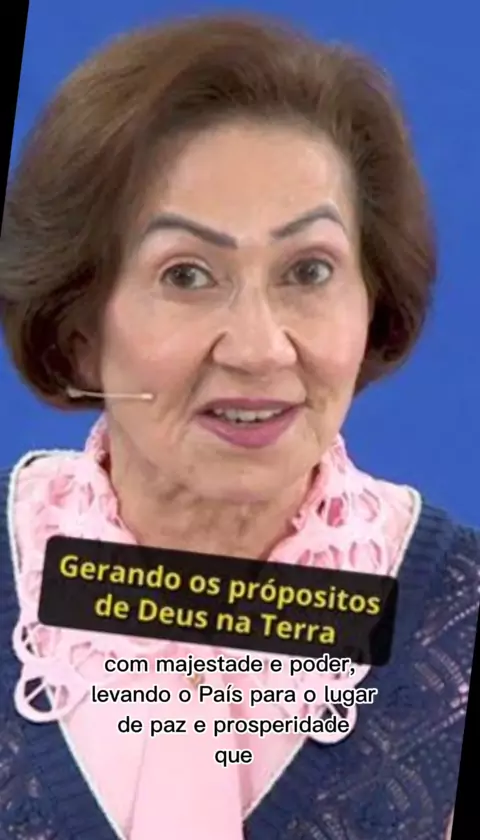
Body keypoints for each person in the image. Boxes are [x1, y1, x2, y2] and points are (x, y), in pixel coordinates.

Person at [0, 12, 476, 840]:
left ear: (372, 301)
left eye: (309, 270)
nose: (259, 349)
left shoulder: (457, 616)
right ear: (78, 333)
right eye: (187, 274)